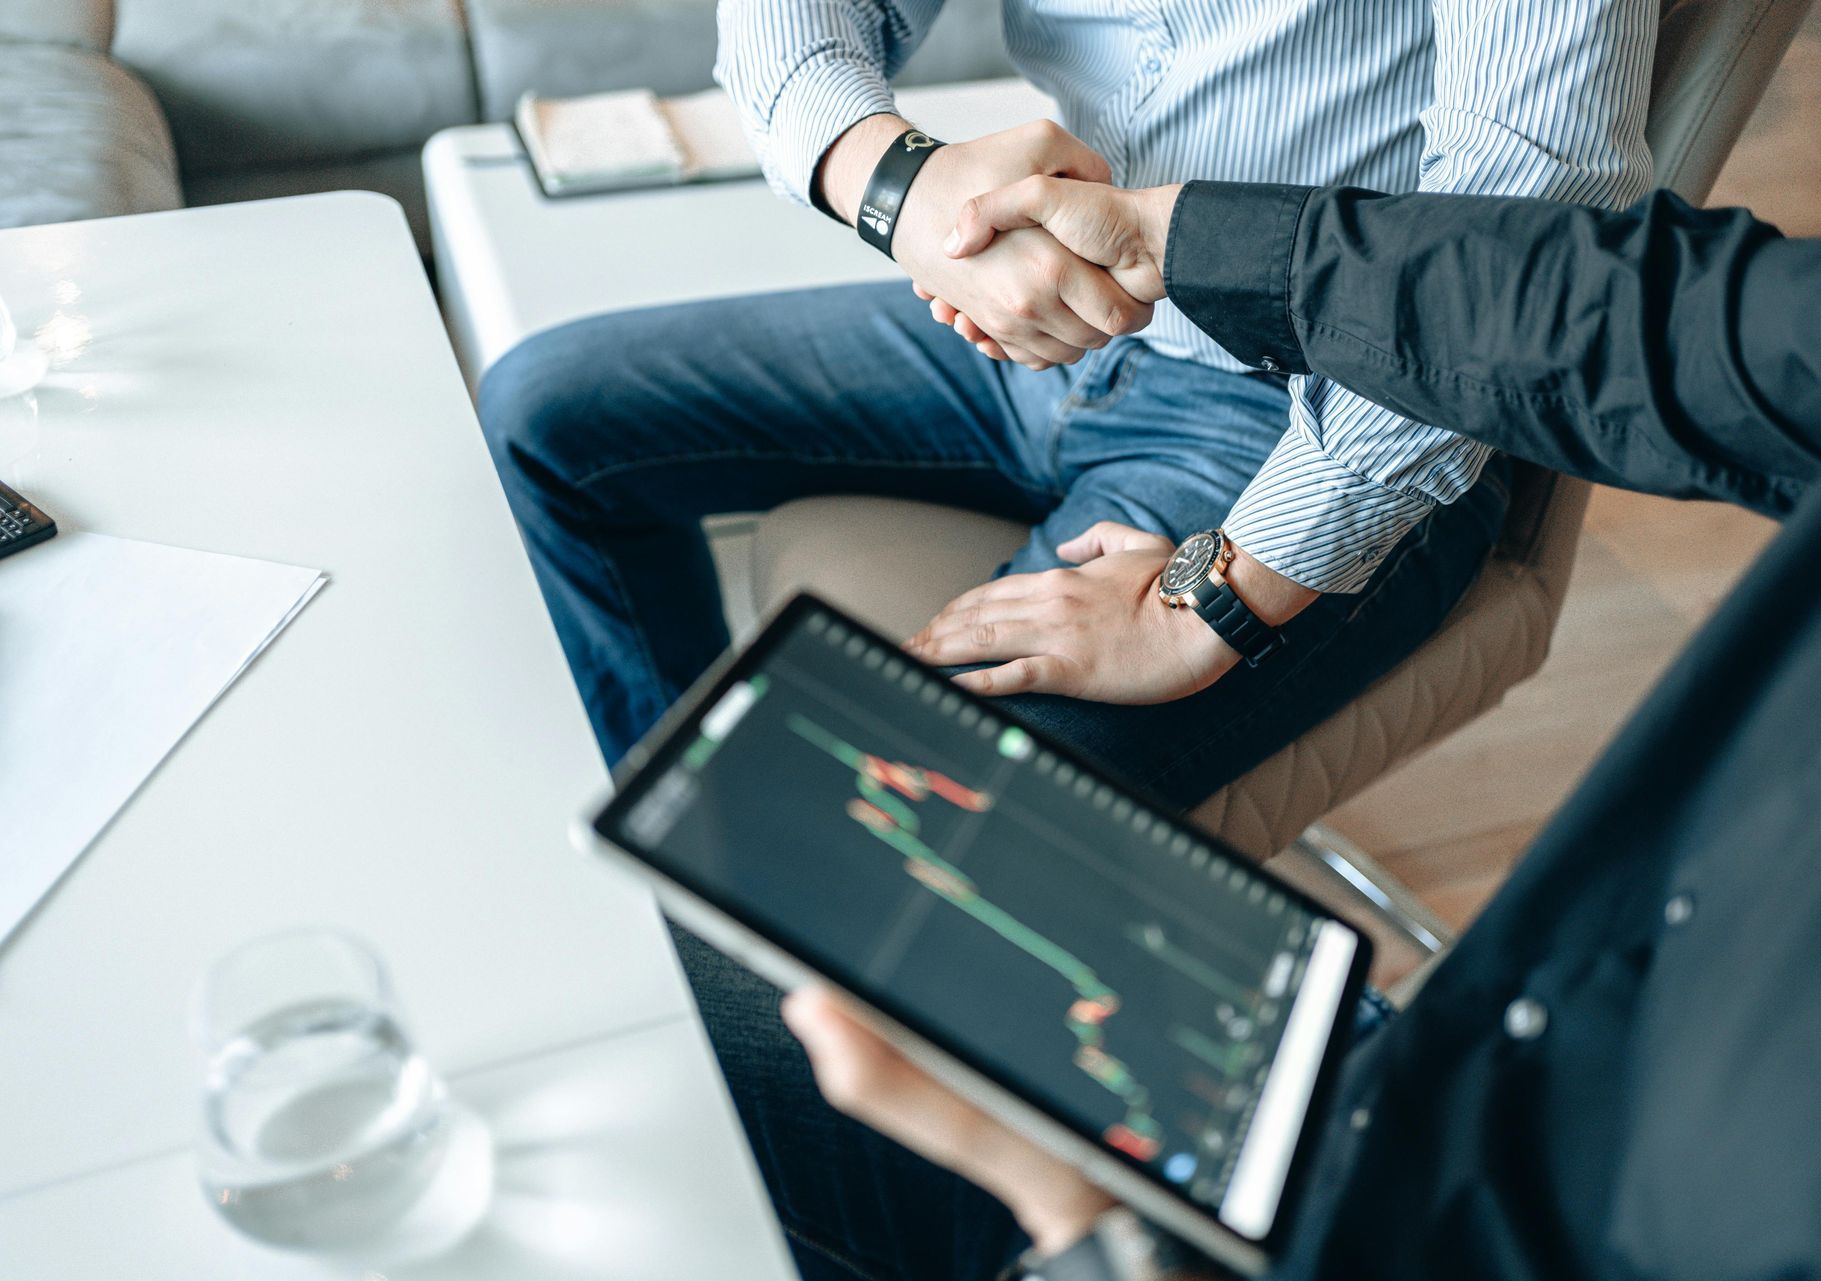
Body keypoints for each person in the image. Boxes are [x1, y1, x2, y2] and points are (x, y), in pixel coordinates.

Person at [770, 177, 1821, 1279]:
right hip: (1435, 1065)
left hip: (1412, 1225)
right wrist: (1168, 235)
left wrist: (1095, 1232)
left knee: (809, 1030)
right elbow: (1635, 316)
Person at [476, 0, 1659, 805]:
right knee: (546, 418)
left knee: (914, 815)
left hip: (1321, 398)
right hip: (1039, 321)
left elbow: (1529, 214)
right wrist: (901, 186)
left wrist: (1219, 600)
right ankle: (702, 832)